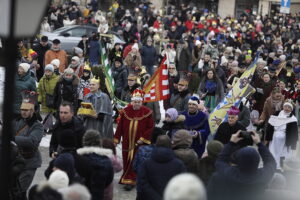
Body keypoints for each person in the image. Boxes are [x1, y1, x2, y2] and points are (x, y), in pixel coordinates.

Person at [207, 131, 276, 200]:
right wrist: (259, 143)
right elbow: (271, 162)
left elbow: (220, 161)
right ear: (257, 160)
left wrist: (231, 143)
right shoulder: (263, 177)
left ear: (237, 161)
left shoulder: (229, 174)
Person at [114, 89, 154, 191]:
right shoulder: (126, 111)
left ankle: (133, 179)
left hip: (139, 143)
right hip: (127, 142)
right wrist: (116, 138)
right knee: (126, 159)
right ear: (132, 101)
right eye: (135, 102)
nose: (136, 104)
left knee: (136, 160)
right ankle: (127, 177)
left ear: (142, 102)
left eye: (138, 102)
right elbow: (120, 127)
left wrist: (143, 138)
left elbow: (150, 127)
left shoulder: (147, 112)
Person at [13, 92, 43, 200]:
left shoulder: (38, 126)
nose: (23, 112)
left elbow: (31, 142)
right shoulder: (17, 121)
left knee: (20, 191)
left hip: (29, 162)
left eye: (26, 110)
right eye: (22, 110)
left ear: (33, 110)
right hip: (16, 161)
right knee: (14, 192)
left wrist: (12, 138)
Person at [138, 135, 186, 200]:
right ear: (170, 145)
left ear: (156, 144)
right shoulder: (179, 164)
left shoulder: (146, 163)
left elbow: (142, 183)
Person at [76, 130, 114, 200]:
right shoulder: (106, 160)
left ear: (84, 142)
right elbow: (109, 179)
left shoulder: (78, 160)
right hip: (99, 195)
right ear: (99, 142)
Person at [133, 128, 165, 199]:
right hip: (158, 188)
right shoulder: (165, 153)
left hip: (142, 186)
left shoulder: (141, 149)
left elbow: (134, 167)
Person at [266, 101, 298, 169]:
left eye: (289, 107)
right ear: (283, 107)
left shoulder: (292, 118)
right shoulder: (277, 114)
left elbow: (294, 132)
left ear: (291, 109)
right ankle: (272, 165)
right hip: (274, 136)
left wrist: (293, 144)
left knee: (281, 153)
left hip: (284, 138)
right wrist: (267, 136)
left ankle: (278, 166)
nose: (287, 108)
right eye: (286, 106)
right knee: (272, 151)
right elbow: (270, 124)